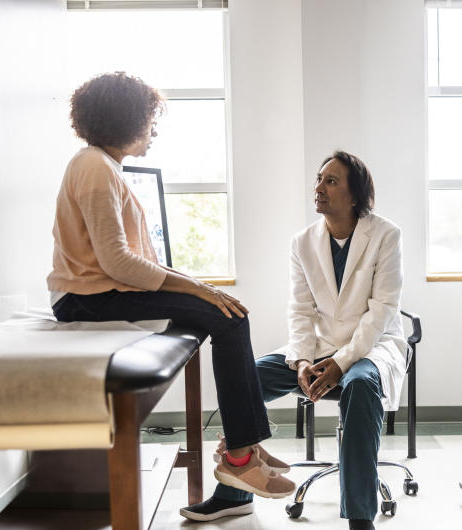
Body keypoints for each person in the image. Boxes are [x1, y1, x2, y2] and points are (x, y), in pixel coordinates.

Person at [47, 71, 294, 502]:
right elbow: (118, 262)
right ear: (125, 119)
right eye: (149, 120)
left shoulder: (101, 166)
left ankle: (245, 447)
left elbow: (127, 262)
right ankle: (240, 457)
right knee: (227, 315)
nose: (153, 130)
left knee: (226, 310)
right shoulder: (94, 168)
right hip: (86, 300)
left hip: (98, 292)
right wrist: (198, 290)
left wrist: (196, 287)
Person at [181, 150, 407, 530]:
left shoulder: (385, 235)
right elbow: (300, 309)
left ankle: (361, 518)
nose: (318, 189)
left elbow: (382, 311)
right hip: (317, 346)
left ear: (355, 194)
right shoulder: (303, 242)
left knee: (360, 386)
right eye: (318, 180)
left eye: (331, 181)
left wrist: (342, 362)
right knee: (247, 377)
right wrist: (302, 360)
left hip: (372, 347)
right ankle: (236, 488)